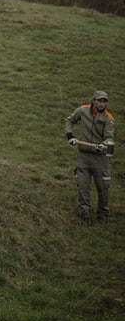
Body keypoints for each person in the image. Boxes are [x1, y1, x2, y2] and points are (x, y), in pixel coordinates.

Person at [65, 90, 116, 225]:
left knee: (103, 187)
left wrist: (103, 145)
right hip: (83, 155)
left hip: (100, 158)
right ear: (93, 100)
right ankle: (84, 213)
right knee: (83, 185)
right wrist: (70, 135)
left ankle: (103, 214)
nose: (101, 103)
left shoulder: (108, 118)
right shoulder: (82, 110)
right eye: (99, 100)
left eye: (104, 101)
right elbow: (70, 120)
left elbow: (109, 137)